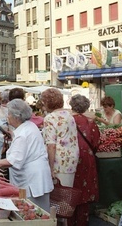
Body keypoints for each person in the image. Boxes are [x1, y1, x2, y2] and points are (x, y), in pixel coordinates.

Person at [0, 99, 53, 211]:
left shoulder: (22, 135)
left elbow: (11, 161)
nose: (7, 117)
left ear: (16, 116)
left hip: (31, 180)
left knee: (33, 212)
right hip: (38, 175)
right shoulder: (30, 126)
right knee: (42, 212)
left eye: (8, 114)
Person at [68, 95, 100, 226]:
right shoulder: (90, 122)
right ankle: (82, 221)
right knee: (84, 191)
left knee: (70, 191)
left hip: (70, 159)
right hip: (87, 158)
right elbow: (96, 141)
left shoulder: (67, 121)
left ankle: (69, 221)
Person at [41, 88, 79, 187]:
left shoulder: (50, 118)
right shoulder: (69, 115)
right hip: (72, 158)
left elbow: (51, 145)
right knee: (67, 192)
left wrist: (50, 167)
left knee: (57, 195)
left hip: (59, 161)